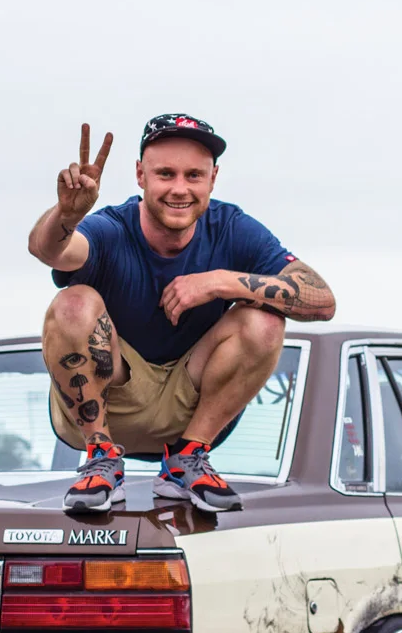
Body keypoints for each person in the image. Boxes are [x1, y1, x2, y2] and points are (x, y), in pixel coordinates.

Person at [27, 114, 336, 513]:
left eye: (193, 175)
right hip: (107, 403)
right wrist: (66, 217)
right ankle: (101, 458)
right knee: (73, 302)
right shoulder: (111, 228)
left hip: (189, 407)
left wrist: (220, 282)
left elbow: (322, 299)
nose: (179, 188)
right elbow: (50, 251)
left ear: (213, 178)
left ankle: (187, 459)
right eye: (165, 174)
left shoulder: (231, 228)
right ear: (140, 175)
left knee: (265, 319)